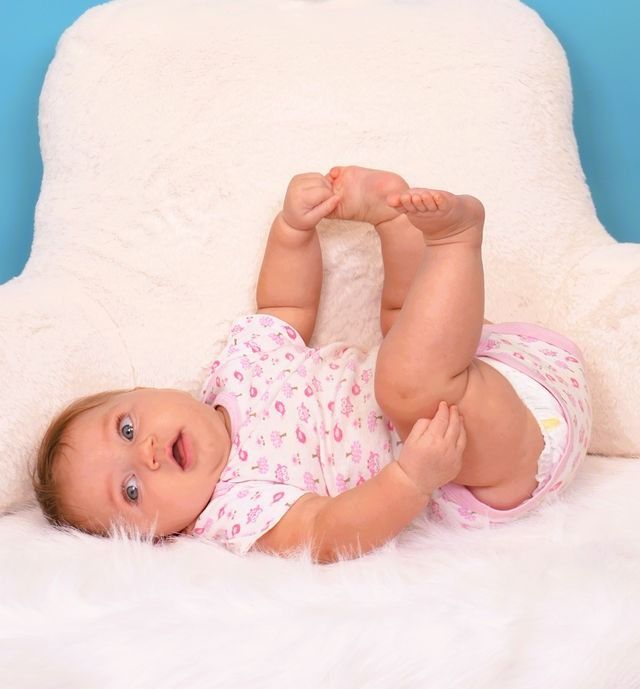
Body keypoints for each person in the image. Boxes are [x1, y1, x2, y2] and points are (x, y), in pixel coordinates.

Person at [32, 166, 592, 563]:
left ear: (146, 389)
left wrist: (293, 230)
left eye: (127, 428)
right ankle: (453, 246)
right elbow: (327, 531)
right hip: (490, 459)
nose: (147, 452)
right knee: (404, 387)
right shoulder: (234, 513)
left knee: (401, 335)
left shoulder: (236, 368)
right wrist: (412, 477)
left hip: (486, 366)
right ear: (156, 539)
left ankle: (393, 219)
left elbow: (286, 306)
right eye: (130, 491)